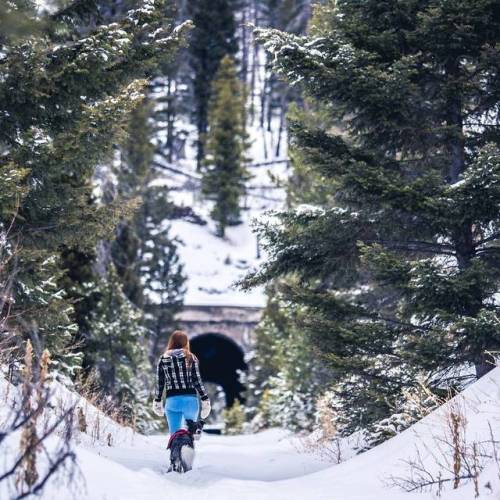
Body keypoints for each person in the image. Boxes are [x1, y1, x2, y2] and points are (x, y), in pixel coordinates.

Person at [153, 330, 211, 433]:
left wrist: (157, 401)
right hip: (190, 401)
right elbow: (197, 380)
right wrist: (204, 399)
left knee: (174, 435)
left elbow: (160, 383)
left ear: (171, 342)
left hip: (172, 401)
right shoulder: (191, 357)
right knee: (190, 432)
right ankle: (188, 447)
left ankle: (176, 447)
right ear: (186, 342)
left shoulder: (163, 359)